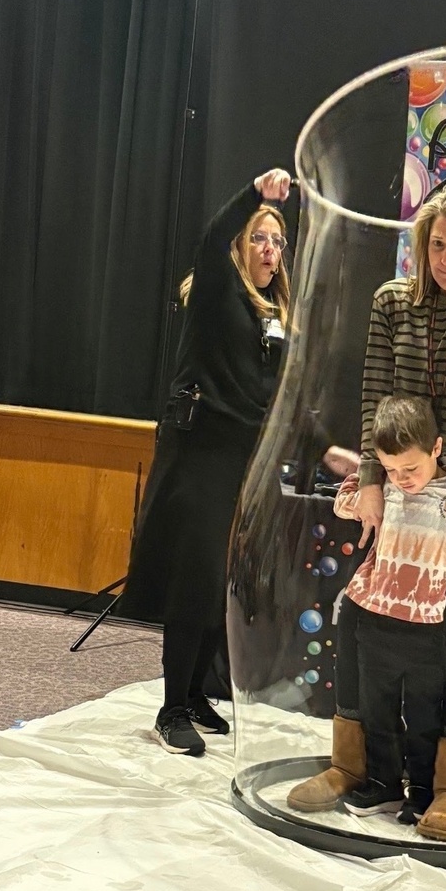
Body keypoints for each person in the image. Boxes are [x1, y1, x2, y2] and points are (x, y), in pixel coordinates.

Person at [287, 185, 446, 840]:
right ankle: (357, 767)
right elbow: (375, 391)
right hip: (400, 483)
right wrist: (372, 479)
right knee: (357, 621)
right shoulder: (393, 302)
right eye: (438, 245)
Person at [117, 169, 296, 757]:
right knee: (194, 579)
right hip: (200, 454)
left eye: (277, 241)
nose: (268, 249)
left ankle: (196, 694)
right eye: (258, 238)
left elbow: (283, 396)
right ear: (240, 247)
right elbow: (213, 237)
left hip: (243, 460)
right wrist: (256, 195)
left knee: (221, 582)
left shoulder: (275, 312)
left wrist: (323, 448)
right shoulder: (219, 291)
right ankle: (171, 708)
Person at [330, 395, 446, 827]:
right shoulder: (384, 489)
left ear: (437, 448)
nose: (403, 479)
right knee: (376, 709)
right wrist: (367, 476)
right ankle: (381, 783)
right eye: (391, 469)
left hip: (429, 627)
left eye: (410, 468)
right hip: (375, 619)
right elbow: (345, 501)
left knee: (423, 715)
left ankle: (423, 791)